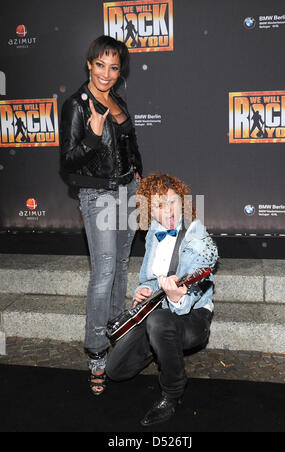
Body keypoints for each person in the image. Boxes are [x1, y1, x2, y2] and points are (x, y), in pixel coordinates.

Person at [60, 35, 143, 396]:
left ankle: (116, 329)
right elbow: (68, 162)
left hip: (128, 191)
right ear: (89, 64)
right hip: (99, 194)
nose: (106, 73)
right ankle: (96, 352)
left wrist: (139, 172)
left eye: (114, 67)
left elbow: (129, 141)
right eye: (100, 65)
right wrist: (93, 136)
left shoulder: (117, 99)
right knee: (104, 270)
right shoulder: (76, 105)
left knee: (121, 263)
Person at [106, 173, 218, 427]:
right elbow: (148, 279)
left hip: (193, 317)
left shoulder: (197, 237)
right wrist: (142, 292)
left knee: (158, 322)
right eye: (158, 205)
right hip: (158, 311)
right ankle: (161, 345)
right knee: (116, 371)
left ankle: (173, 392)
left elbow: (196, 287)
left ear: (183, 201)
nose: (168, 211)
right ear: (149, 210)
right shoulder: (153, 233)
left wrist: (179, 297)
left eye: (172, 202)